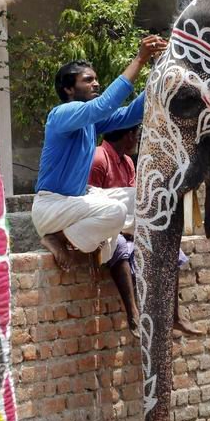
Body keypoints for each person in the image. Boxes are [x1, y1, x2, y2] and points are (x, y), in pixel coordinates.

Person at [31, 37, 164, 273]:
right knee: (117, 212)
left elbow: (133, 113)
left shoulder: (89, 122)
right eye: (88, 80)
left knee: (143, 199)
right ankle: (59, 237)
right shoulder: (62, 113)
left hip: (77, 202)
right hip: (53, 208)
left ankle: (100, 238)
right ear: (69, 89)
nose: (96, 84)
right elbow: (103, 106)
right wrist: (140, 58)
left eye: (96, 79)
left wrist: (160, 66)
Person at [88, 126, 200, 335]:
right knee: (119, 245)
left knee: (169, 245)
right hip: (105, 229)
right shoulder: (98, 160)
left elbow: (136, 202)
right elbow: (88, 202)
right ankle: (133, 313)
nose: (137, 141)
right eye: (137, 136)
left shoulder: (128, 162)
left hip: (128, 226)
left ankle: (174, 315)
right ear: (129, 136)